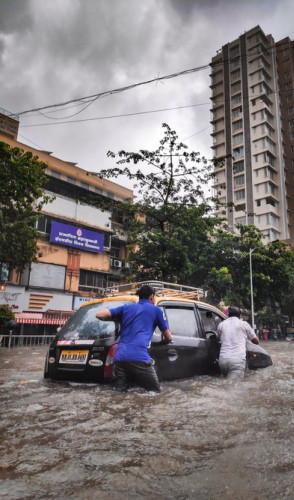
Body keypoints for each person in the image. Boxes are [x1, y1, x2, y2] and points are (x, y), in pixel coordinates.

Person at [96, 284, 173, 392]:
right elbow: (168, 337)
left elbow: (99, 315)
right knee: (156, 393)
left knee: (119, 395)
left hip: (120, 359)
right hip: (139, 358)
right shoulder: (156, 311)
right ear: (151, 296)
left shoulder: (126, 308)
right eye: (154, 297)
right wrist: (168, 340)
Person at [216, 306, 259, 380]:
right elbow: (256, 341)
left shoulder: (221, 325)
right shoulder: (243, 324)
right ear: (239, 316)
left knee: (224, 384)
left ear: (228, 315)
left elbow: (219, 338)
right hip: (237, 361)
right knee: (233, 387)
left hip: (222, 360)